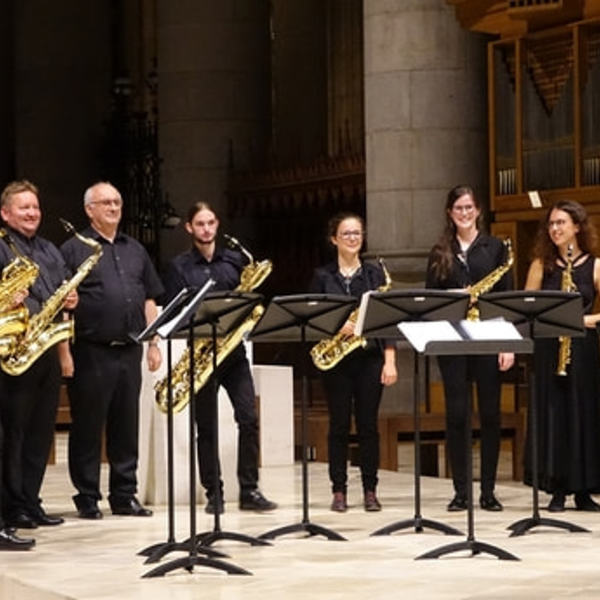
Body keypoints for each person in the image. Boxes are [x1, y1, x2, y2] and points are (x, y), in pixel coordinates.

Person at [163, 202, 277, 514]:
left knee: (248, 419)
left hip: (234, 353)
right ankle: (214, 492)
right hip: (200, 356)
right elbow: (174, 314)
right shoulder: (179, 267)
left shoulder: (235, 261)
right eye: (200, 224)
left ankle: (249, 490)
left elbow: (250, 302)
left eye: (211, 222)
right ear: (189, 227)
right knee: (207, 428)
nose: (207, 229)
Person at [60, 181, 163, 519]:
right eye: (106, 202)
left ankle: (124, 494)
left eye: (117, 202)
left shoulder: (135, 248)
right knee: (88, 425)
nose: (114, 208)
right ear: (89, 209)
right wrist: (65, 354)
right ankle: (87, 496)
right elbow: (62, 305)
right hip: (91, 350)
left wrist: (153, 342)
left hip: (129, 349)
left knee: (126, 424)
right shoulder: (72, 250)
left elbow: (149, 296)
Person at [426, 185, 514, 512]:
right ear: (450, 213)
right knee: (457, 416)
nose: (464, 213)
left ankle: (488, 492)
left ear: (478, 210)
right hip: (452, 340)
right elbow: (429, 298)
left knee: (490, 416)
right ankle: (461, 491)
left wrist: (508, 344)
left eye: (469, 207)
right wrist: (454, 298)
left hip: (489, 338)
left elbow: (506, 298)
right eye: (458, 208)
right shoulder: (440, 252)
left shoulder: (495, 248)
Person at [0, 179, 77, 529]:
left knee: (40, 434)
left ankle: (31, 501)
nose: (32, 213)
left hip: (46, 347)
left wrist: (69, 303)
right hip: (13, 351)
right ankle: (12, 506)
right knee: (13, 434)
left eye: (35, 207)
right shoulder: (1, 246)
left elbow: (61, 297)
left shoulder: (49, 249)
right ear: (5, 213)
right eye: (24, 207)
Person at [309, 212, 397, 512]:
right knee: (339, 426)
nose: (352, 239)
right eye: (346, 234)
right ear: (334, 238)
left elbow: (387, 322)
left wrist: (390, 360)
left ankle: (370, 490)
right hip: (337, 361)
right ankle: (339, 491)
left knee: (369, 426)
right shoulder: (322, 276)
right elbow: (313, 319)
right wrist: (336, 326)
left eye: (357, 233)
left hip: (370, 358)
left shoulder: (373, 275)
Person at [524, 200, 600, 512]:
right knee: (554, 415)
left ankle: (583, 490)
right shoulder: (542, 264)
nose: (555, 229)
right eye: (552, 224)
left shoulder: (595, 264)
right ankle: (557, 488)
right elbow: (527, 307)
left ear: (577, 227)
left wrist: (583, 320)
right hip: (549, 348)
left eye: (561, 223)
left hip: (582, 348)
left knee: (581, 415)